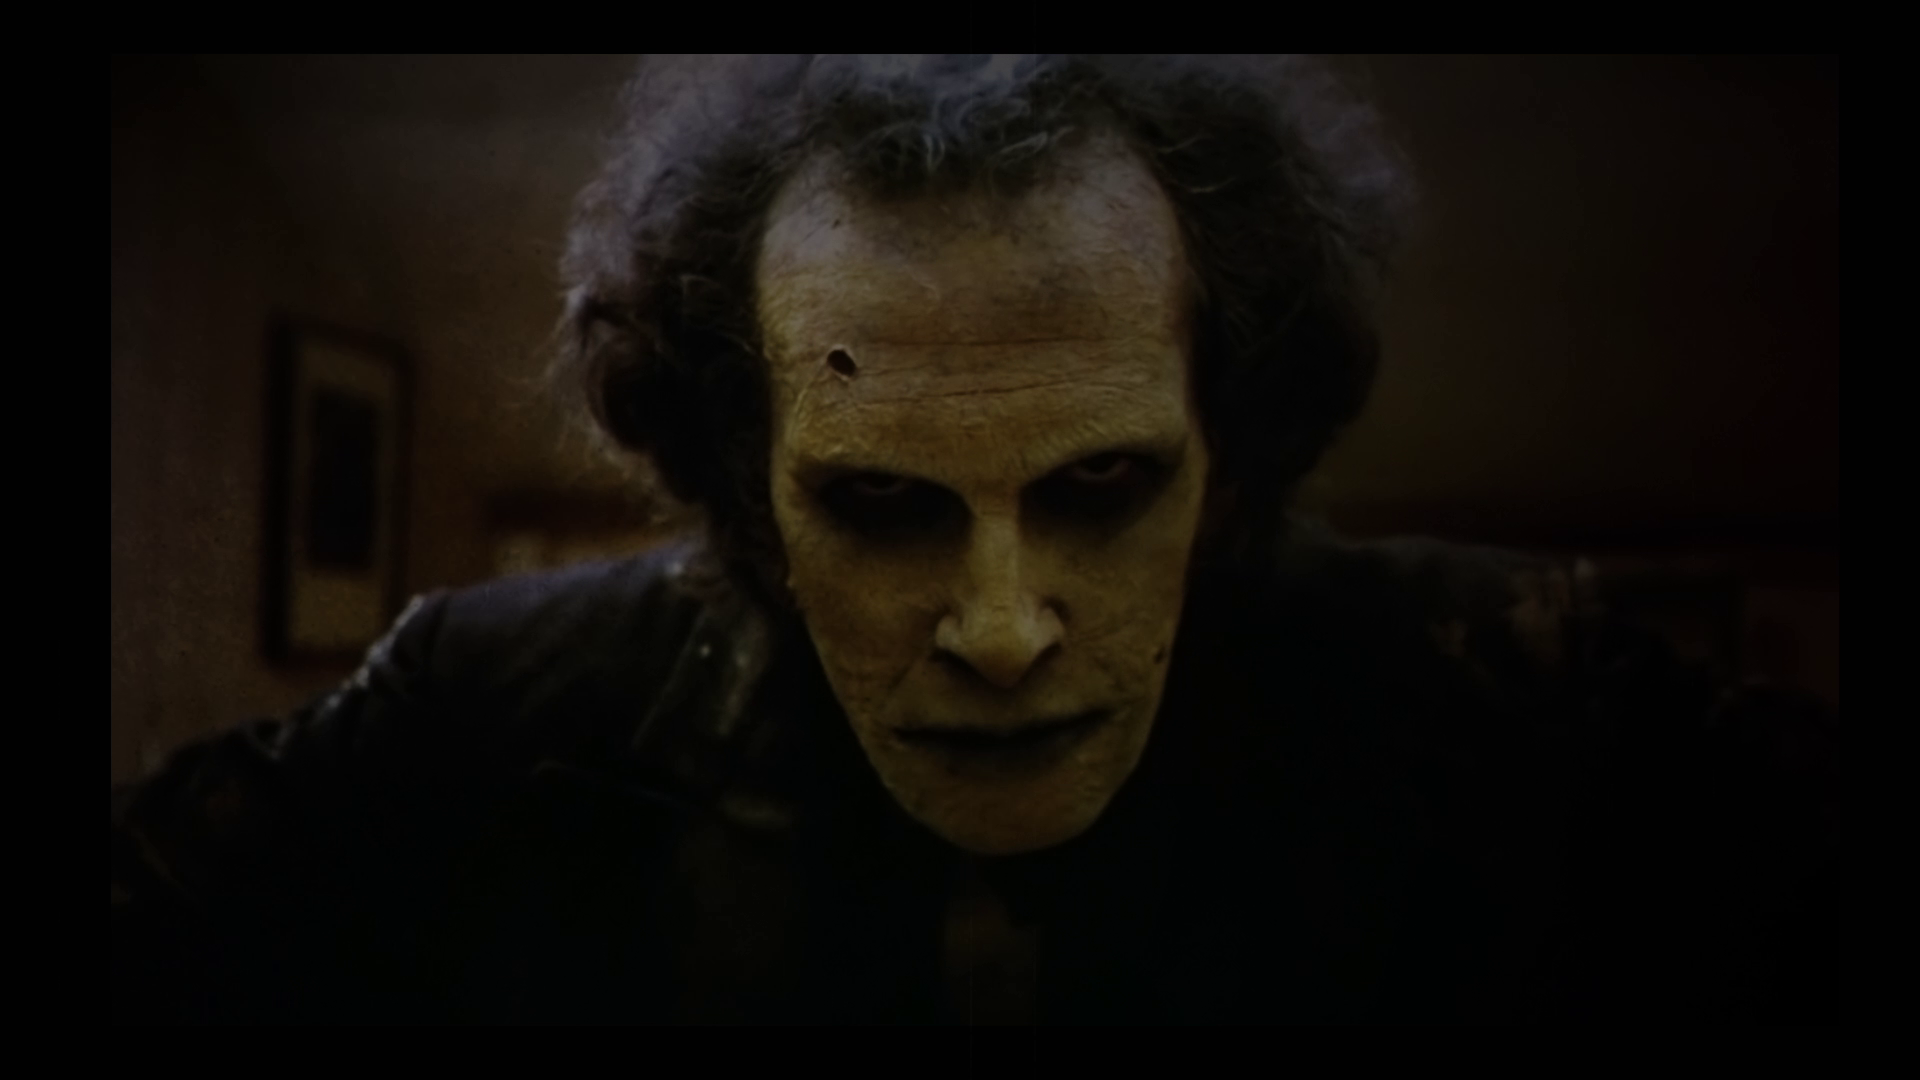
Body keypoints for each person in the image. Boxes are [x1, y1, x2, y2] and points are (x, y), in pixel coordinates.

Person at [111, 55, 1835, 1024]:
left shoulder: (1534, 705)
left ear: (1228, 455)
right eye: (880, 504)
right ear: (749, 486)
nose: (1002, 630)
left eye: (1102, 487)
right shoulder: (487, 714)